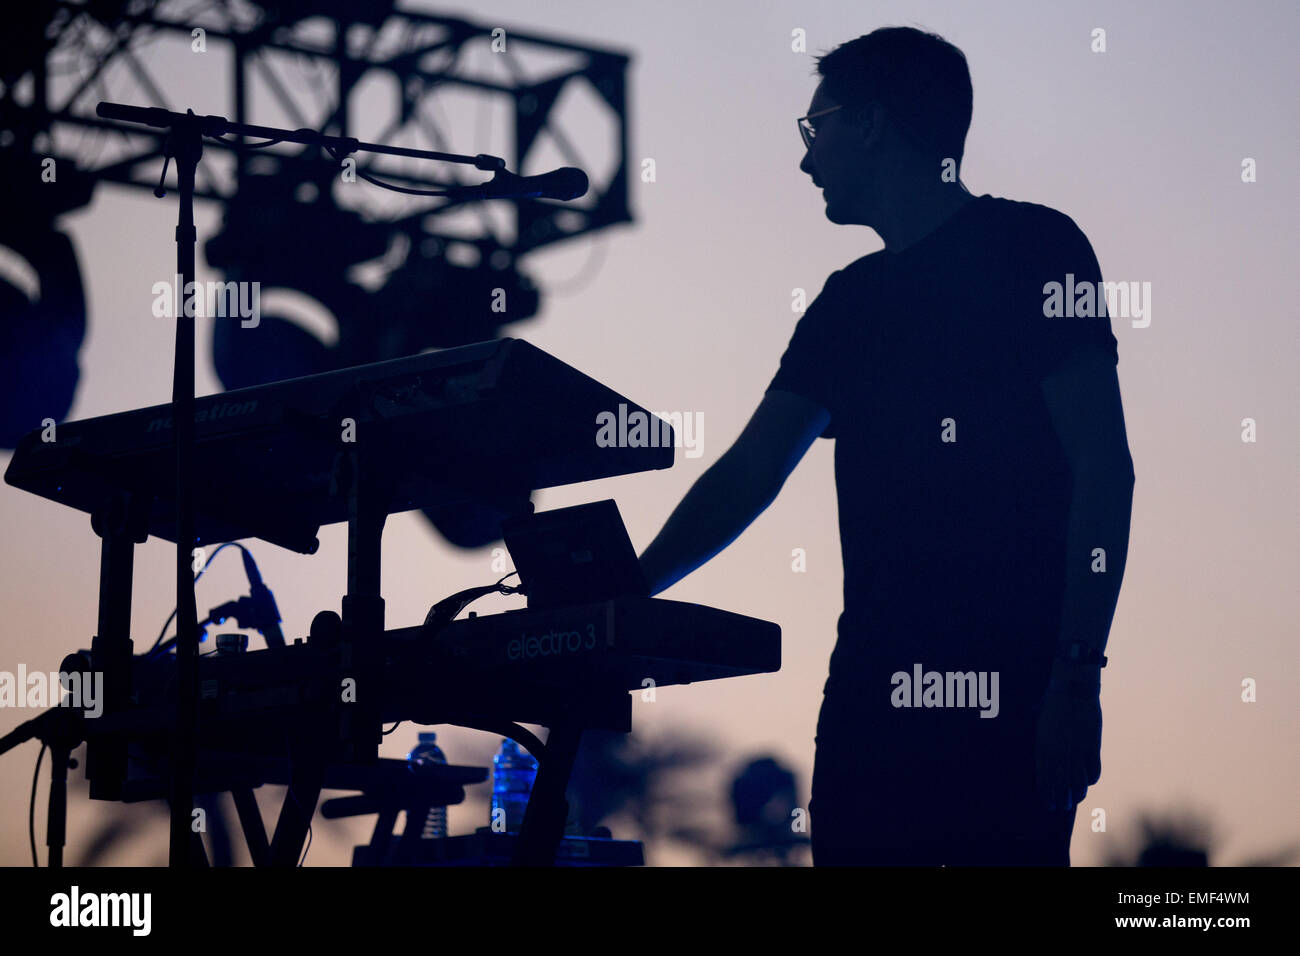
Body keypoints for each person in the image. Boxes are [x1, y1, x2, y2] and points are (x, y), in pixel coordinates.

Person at [637, 27, 1135, 865]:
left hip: (1014, 688)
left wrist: (1077, 673)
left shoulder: (1036, 248)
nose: (805, 160)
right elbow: (750, 472)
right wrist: (626, 592)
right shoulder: (846, 303)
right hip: (870, 693)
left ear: (869, 122)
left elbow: (1102, 465)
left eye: (815, 128)